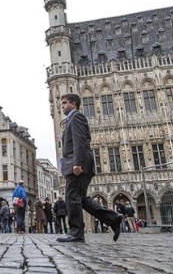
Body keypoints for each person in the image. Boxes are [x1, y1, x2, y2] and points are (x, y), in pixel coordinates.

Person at [56, 94, 123, 243]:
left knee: (72, 198)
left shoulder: (76, 118)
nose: (62, 105)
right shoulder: (71, 120)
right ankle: (113, 219)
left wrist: (77, 163)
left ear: (73, 104)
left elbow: (79, 141)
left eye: (65, 103)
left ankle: (76, 232)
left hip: (78, 164)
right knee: (81, 199)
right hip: (76, 163)